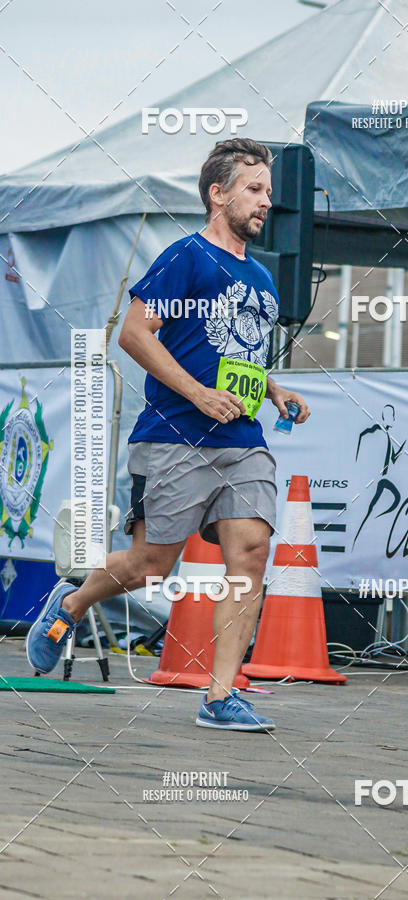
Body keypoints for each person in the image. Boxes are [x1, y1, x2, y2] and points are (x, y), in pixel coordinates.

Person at [26, 138, 310, 732]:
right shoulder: (185, 258)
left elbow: (235, 354)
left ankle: (220, 695)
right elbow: (134, 332)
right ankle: (72, 602)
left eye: (268, 193)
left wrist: (273, 389)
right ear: (218, 193)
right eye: (254, 191)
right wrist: (199, 394)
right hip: (175, 436)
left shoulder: (261, 277)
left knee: (251, 555)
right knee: (151, 565)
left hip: (242, 442)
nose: (265, 204)